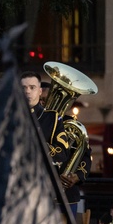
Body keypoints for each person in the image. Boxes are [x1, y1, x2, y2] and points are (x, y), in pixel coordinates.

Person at [21, 71, 90, 207]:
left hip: (66, 196)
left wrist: (77, 176)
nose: (43, 104)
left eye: (45, 100)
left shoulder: (67, 123)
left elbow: (85, 154)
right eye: (42, 101)